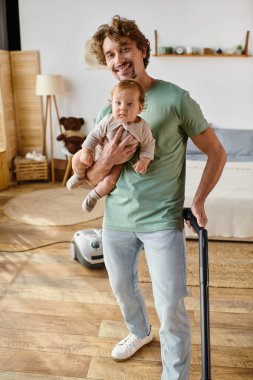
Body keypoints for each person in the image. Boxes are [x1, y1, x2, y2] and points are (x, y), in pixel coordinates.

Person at [72, 15, 227, 380]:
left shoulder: (174, 98)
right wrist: (107, 159)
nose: (117, 59)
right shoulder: (107, 111)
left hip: (161, 222)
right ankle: (140, 331)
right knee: (122, 290)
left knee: (171, 306)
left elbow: (217, 152)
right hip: (117, 221)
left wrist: (200, 200)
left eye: (124, 48)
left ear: (142, 50)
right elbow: (88, 176)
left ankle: (175, 375)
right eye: (110, 54)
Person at [67, 79, 155, 212]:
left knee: (110, 182)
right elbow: (94, 135)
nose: (123, 108)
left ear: (140, 108)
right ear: (111, 104)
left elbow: (148, 145)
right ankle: (78, 176)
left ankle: (93, 197)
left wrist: (144, 160)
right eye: (118, 103)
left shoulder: (142, 127)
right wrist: (87, 150)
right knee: (77, 158)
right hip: (98, 151)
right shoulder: (109, 120)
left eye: (130, 104)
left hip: (119, 163)